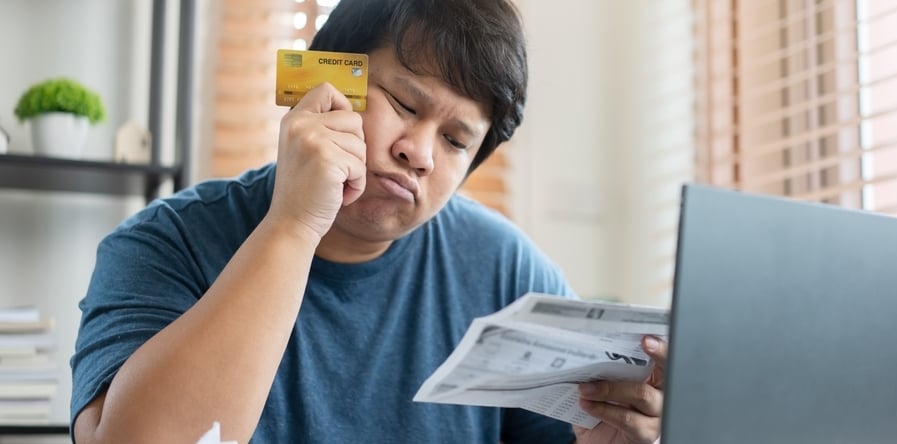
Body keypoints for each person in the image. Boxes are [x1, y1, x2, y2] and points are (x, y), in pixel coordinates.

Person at [70, 0, 666, 442]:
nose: (421, 152)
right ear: (322, 81)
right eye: (405, 104)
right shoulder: (164, 243)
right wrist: (296, 222)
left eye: (456, 141)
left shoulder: (505, 269)